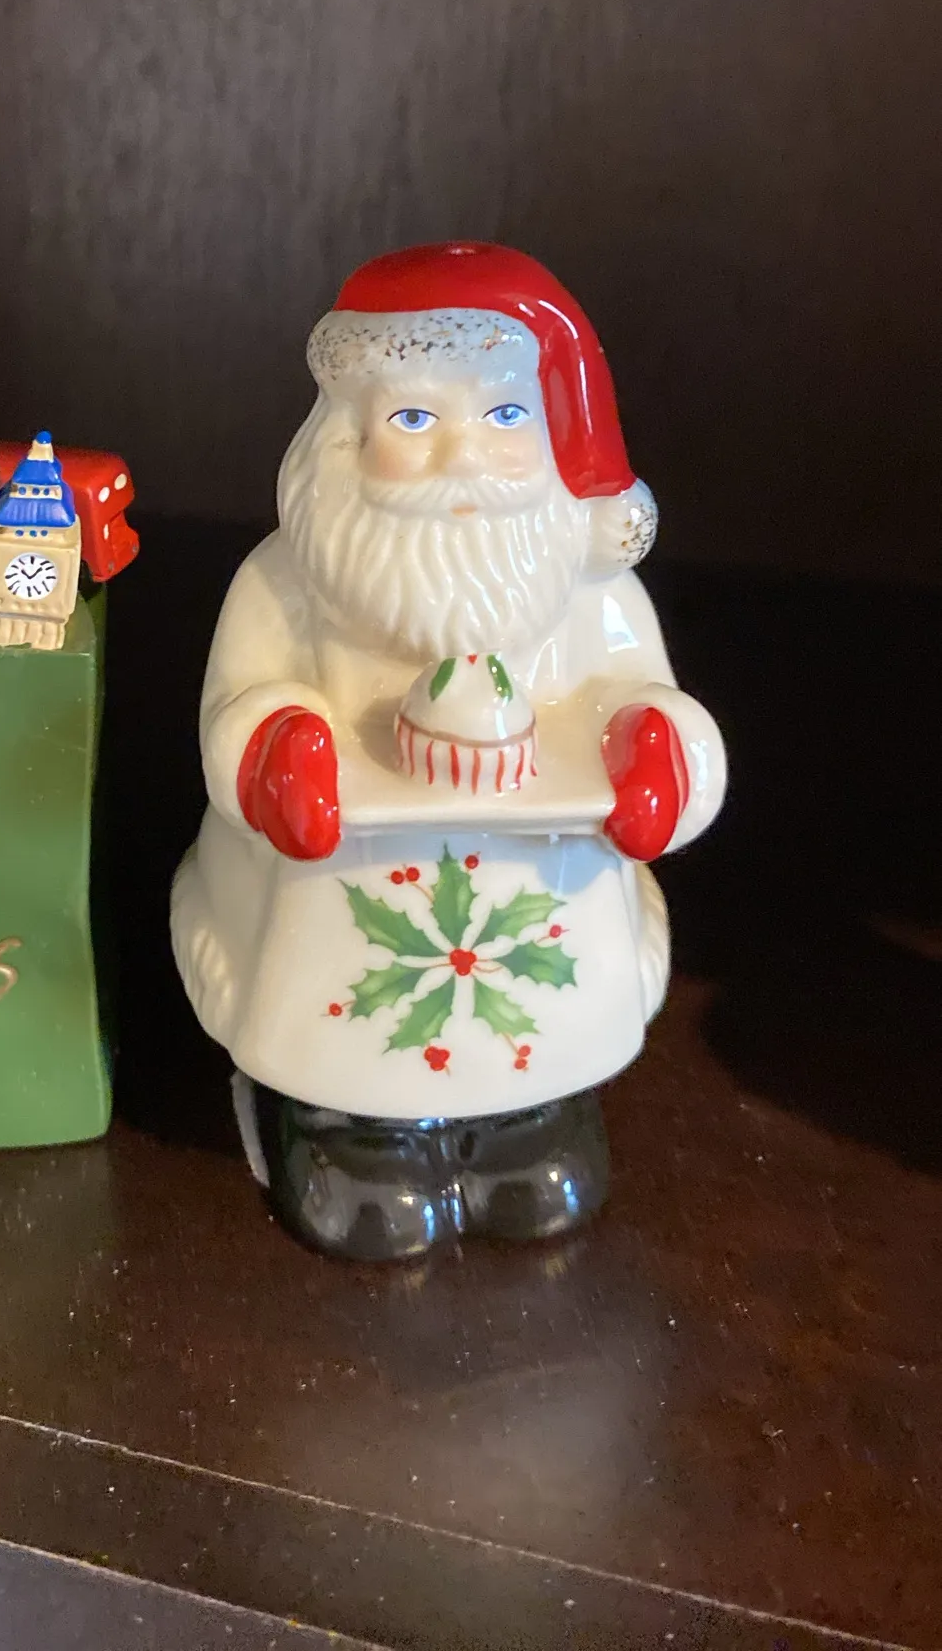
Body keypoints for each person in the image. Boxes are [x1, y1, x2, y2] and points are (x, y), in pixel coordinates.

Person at [171, 242, 726, 1259]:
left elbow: (639, 690)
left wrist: (655, 753)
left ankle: (524, 1119)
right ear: (345, 437)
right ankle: (347, 1128)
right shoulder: (284, 586)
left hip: (542, 892)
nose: (461, 458)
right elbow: (240, 701)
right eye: (414, 421)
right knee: (342, 1024)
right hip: (340, 892)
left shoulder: (589, 591)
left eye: (505, 417)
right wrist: (277, 752)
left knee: (537, 1040)